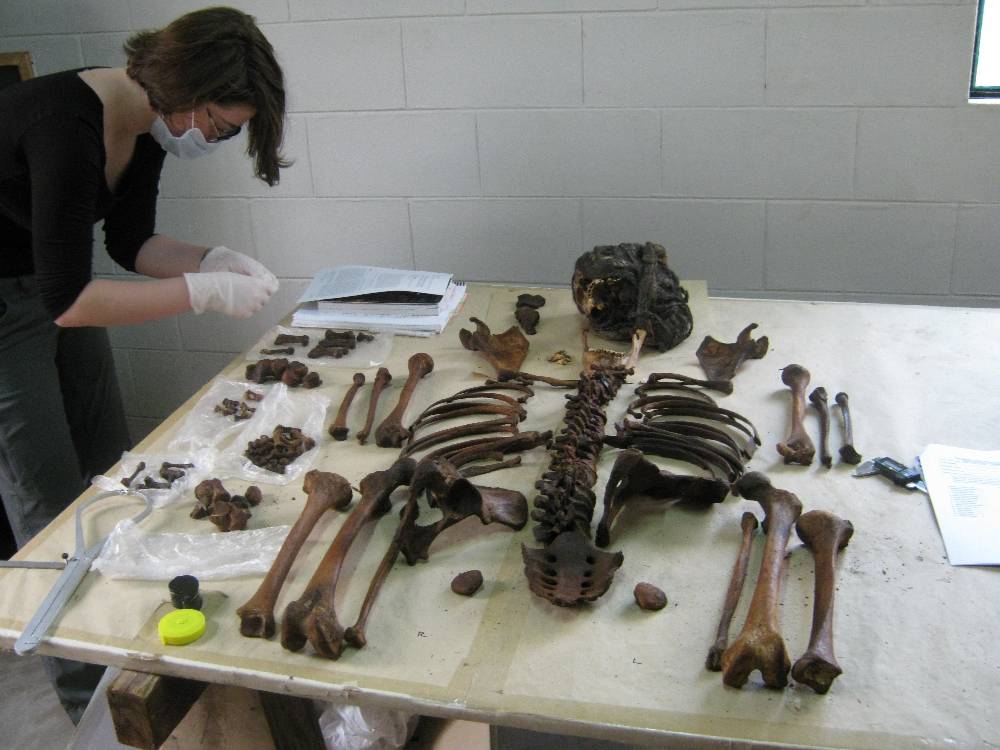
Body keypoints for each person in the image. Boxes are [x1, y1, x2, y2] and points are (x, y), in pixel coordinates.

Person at [0, 6, 287, 722]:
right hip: (10, 308)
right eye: (220, 128)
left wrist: (209, 260)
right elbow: (72, 301)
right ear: (185, 96)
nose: (217, 142)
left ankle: (136, 647)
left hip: (52, 285)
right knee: (47, 507)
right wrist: (198, 293)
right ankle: (88, 702)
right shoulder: (61, 126)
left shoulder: (148, 126)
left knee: (112, 473)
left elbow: (130, 245)